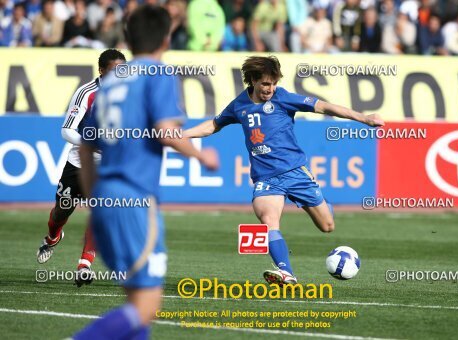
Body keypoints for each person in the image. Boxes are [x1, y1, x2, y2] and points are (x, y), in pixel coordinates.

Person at [74, 5, 218, 339]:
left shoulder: (108, 83)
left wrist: (97, 199)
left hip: (105, 198)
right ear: (167, 38)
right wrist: (200, 156)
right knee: (147, 304)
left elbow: (85, 145)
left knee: (135, 301)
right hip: (134, 198)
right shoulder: (158, 74)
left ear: (127, 37)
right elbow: (167, 131)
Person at [184, 56, 384, 285]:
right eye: (265, 84)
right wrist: (179, 135)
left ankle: (321, 204)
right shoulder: (239, 104)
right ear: (252, 80)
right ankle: (286, 272)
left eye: (274, 83)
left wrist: (364, 118)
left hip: (296, 172)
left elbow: (324, 106)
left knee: (327, 226)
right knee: (268, 220)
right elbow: (213, 124)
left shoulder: (283, 98)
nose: (270, 89)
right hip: (266, 178)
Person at [36, 49, 126, 288]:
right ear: (101, 71)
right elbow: (66, 130)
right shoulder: (87, 93)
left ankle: (84, 265)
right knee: (61, 211)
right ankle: (53, 237)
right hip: (78, 164)